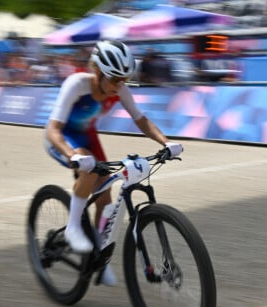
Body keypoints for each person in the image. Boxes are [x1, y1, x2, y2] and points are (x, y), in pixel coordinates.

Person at [44, 40, 183, 285]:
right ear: (97, 71)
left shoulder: (119, 89)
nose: (120, 86)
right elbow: (53, 129)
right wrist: (72, 155)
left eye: (125, 80)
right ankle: (73, 228)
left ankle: (99, 259)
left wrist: (165, 142)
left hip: (87, 137)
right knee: (88, 168)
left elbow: (141, 120)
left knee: (106, 200)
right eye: (116, 79)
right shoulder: (77, 84)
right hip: (62, 139)